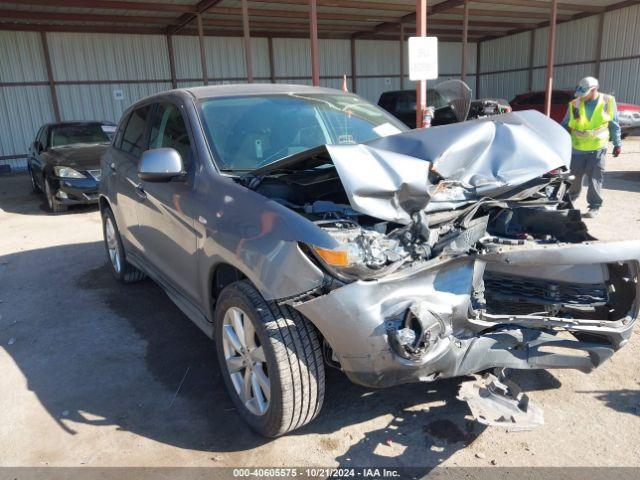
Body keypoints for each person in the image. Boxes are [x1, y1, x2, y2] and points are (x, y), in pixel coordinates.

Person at [561, 76, 622, 218]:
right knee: (573, 178)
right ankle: (569, 202)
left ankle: (594, 207)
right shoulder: (574, 104)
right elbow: (565, 124)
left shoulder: (608, 101)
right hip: (577, 148)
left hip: (598, 147)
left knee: (595, 178)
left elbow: (614, 124)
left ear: (594, 90)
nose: (582, 97)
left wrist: (617, 143)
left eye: (585, 93)